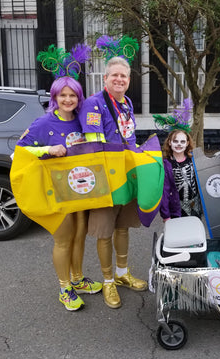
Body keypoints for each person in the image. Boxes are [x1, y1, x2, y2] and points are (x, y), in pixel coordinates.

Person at [16, 76, 103, 311]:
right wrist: (47, 149)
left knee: (80, 234)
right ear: (54, 97)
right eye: (62, 95)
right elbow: (19, 152)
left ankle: (78, 279)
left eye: (72, 95)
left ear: (79, 98)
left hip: (81, 189)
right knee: (63, 239)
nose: (68, 99)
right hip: (56, 191)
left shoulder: (81, 121)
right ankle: (65, 288)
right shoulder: (43, 123)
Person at [78, 56, 147, 309]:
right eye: (114, 75)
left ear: (129, 81)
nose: (119, 79)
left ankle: (122, 272)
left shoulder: (126, 103)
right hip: (105, 180)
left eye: (124, 76)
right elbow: (95, 147)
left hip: (127, 177)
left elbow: (129, 137)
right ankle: (108, 280)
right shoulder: (94, 104)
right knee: (104, 232)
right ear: (105, 78)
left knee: (123, 227)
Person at [160, 129, 202, 222]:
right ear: (170, 142)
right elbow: (164, 191)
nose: (179, 144)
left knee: (194, 233)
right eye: (175, 141)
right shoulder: (166, 164)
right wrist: (165, 215)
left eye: (182, 141)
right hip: (176, 210)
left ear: (187, 143)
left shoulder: (193, 160)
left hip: (195, 208)